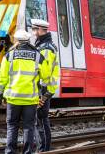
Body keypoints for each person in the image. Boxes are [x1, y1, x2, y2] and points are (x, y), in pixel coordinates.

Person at [0, 30, 51, 154]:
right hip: (30, 100)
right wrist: (44, 93)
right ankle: (27, 152)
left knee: (12, 126)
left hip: (13, 99)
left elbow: (2, 77)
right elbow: (46, 77)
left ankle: (10, 151)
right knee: (29, 127)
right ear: (28, 40)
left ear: (16, 40)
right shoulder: (38, 56)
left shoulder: (9, 55)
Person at [31, 19, 60, 152]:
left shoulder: (46, 48)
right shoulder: (44, 45)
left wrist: (43, 95)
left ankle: (43, 150)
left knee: (41, 121)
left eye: (35, 29)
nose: (33, 32)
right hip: (44, 89)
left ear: (41, 30)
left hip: (43, 89)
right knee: (42, 120)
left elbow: (46, 74)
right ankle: (44, 149)